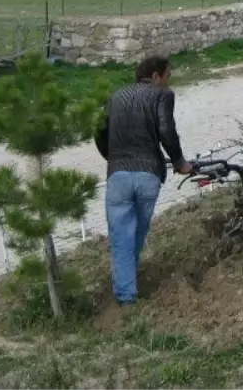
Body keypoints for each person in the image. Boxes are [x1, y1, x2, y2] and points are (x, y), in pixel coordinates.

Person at [94, 55, 192, 307]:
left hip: (117, 175)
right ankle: (127, 290)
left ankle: (126, 294)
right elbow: (166, 130)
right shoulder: (162, 94)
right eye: (167, 76)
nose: (168, 81)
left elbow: (99, 131)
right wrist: (180, 163)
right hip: (148, 173)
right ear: (156, 76)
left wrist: (113, 158)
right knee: (136, 232)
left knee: (121, 234)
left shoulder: (116, 96)